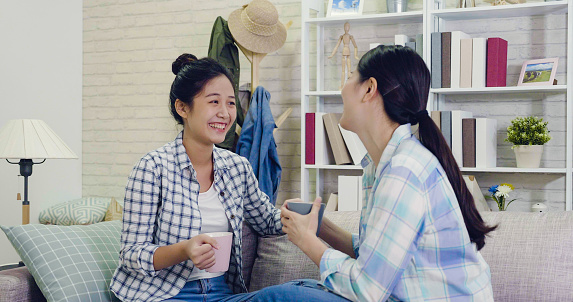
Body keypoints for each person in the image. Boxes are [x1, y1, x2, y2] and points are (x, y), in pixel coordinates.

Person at [261, 45, 497, 301]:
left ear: (369, 89)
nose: (342, 89)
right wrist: (320, 227)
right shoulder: (383, 164)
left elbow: (368, 289)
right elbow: (373, 257)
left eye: (350, 76)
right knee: (296, 289)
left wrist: (306, 240)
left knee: (282, 297)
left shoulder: (403, 171)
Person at [109, 54, 283, 302]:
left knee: (297, 293)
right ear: (183, 108)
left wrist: (295, 216)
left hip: (221, 293)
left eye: (231, 103)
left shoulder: (237, 168)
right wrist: (184, 249)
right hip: (162, 295)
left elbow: (266, 221)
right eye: (214, 102)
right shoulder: (152, 168)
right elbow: (132, 254)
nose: (225, 113)